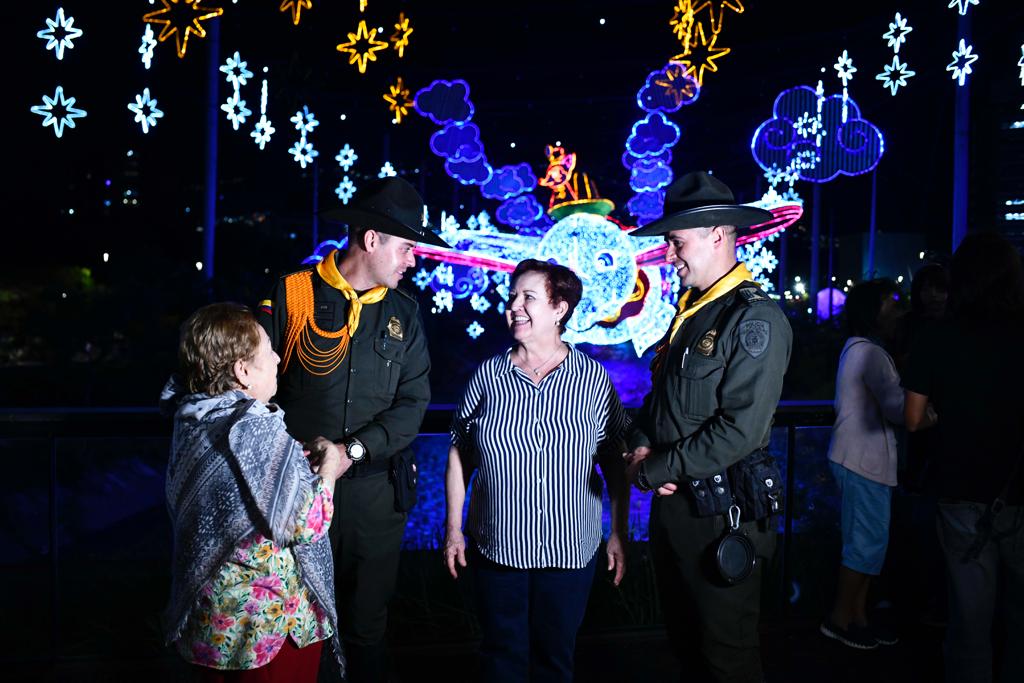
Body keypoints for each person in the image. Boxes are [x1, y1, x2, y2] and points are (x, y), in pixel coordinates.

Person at [257, 177, 449, 683]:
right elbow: (252, 391)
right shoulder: (291, 294)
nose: (413, 260)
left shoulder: (404, 314)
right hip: (294, 495)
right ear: (371, 240)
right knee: (292, 622)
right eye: (408, 247)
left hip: (373, 500)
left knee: (366, 628)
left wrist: (351, 451)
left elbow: (414, 405)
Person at [624, 171, 793, 682]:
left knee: (727, 658)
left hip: (724, 514)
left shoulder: (753, 319)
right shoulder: (694, 315)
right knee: (687, 649)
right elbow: (664, 404)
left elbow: (739, 431)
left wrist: (654, 469)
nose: (670, 256)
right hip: (679, 511)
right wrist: (637, 444)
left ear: (717, 234)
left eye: (676, 243)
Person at [443, 259, 630, 683]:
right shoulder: (487, 377)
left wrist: (618, 532)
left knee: (555, 662)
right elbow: (459, 455)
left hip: (570, 554)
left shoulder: (593, 379)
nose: (514, 306)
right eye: (512, 297)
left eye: (528, 297)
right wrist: (453, 528)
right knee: (500, 659)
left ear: (559, 308)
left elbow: (616, 460)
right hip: (497, 552)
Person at [161, 302, 350, 682]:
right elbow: (307, 523)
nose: (279, 357)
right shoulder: (253, 428)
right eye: (267, 351)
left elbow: (239, 491)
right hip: (266, 631)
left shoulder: (194, 417)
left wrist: (289, 465)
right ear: (243, 371)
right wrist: (330, 467)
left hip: (215, 624)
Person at [904, 232, 1024, 683]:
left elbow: (913, 418)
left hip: (959, 488)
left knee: (969, 621)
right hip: (1018, 487)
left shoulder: (939, 334)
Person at [820, 279, 906, 650]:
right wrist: (930, 412)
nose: (898, 312)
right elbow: (898, 408)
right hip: (863, 461)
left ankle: (858, 617)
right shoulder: (870, 353)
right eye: (891, 305)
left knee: (869, 542)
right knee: (865, 544)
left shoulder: (855, 349)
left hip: (858, 458)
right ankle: (840, 618)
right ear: (874, 312)